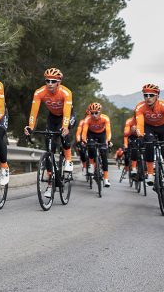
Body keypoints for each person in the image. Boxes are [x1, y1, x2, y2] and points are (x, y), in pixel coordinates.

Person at [24, 68, 75, 198]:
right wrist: (30, 127)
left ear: (59, 82)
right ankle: (50, 184)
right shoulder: (40, 92)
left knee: (64, 133)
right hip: (52, 117)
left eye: (53, 81)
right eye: (47, 81)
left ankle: (68, 160)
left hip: (66, 115)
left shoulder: (66, 92)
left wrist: (65, 126)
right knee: (49, 150)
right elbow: (33, 112)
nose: (50, 83)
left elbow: (67, 112)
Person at [134, 83, 164, 198]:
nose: (148, 98)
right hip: (149, 128)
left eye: (151, 95)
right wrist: (140, 136)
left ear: (157, 96)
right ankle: (151, 173)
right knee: (148, 143)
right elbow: (140, 124)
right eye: (145, 95)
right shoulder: (140, 107)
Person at [80, 102, 113, 187]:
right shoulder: (87, 119)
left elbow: (108, 131)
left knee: (104, 154)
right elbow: (84, 132)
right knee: (91, 147)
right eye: (92, 113)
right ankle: (91, 165)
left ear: (100, 112)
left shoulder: (105, 118)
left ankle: (106, 179)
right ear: (89, 112)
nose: (94, 115)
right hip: (91, 134)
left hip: (102, 134)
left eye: (96, 113)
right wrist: (84, 140)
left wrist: (108, 140)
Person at [75, 109, 90, 175]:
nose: (89, 116)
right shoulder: (82, 121)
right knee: (82, 151)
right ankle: (84, 166)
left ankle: (97, 166)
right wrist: (78, 141)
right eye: (87, 115)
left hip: (93, 137)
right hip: (84, 138)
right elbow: (78, 132)